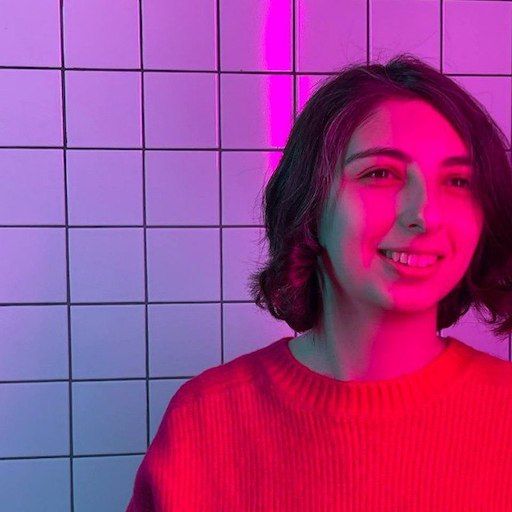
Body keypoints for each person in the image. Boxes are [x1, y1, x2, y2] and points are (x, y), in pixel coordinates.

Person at [126, 54, 512, 511]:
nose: (424, 215)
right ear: (310, 206)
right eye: (379, 174)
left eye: (458, 181)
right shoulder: (204, 421)